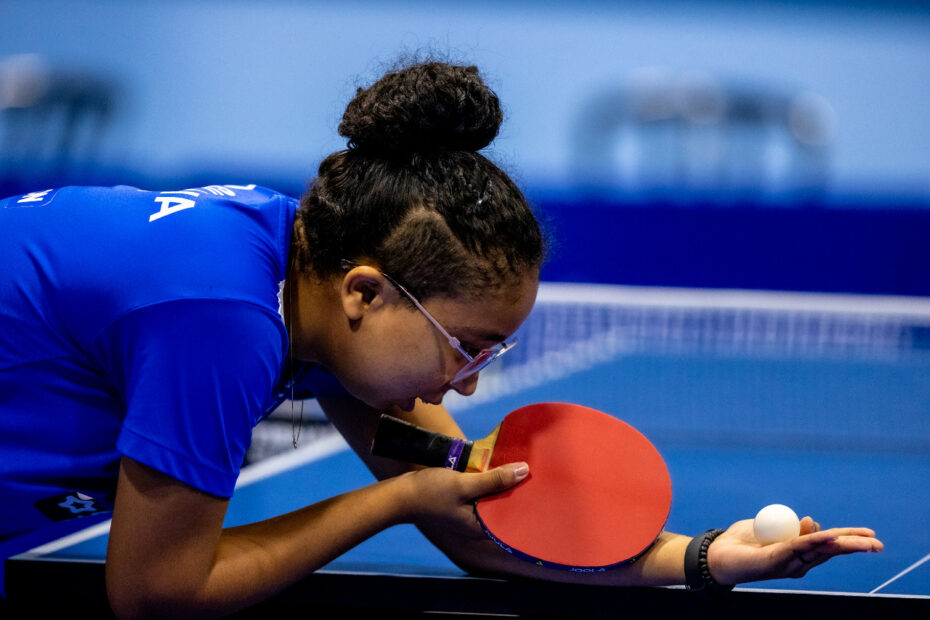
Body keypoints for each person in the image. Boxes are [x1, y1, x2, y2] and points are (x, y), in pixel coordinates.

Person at [0, 61, 881, 617]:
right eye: (466, 345)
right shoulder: (217, 321)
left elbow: (477, 522)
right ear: (366, 294)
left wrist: (701, 558)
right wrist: (390, 503)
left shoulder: (309, 264)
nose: (466, 386)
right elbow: (156, 590)